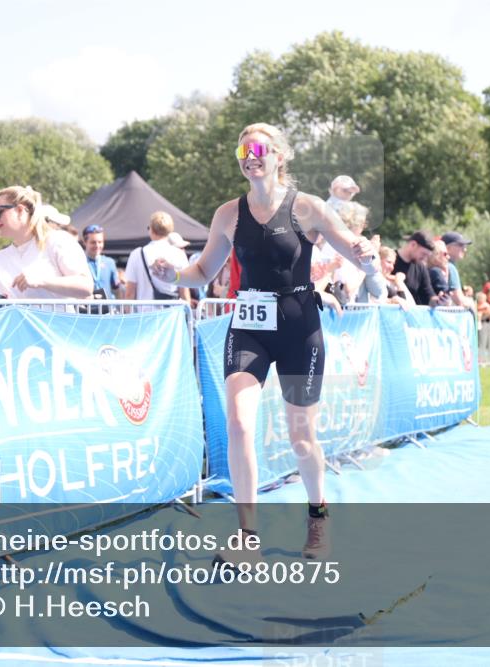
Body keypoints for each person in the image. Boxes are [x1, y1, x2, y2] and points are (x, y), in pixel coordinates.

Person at [150, 122, 376, 564]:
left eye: (258, 147)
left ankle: (318, 516)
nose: (249, 155)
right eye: (242, 148)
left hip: (299, 328)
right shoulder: (227, 215)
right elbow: (201, 272)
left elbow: (352, 249)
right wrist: (172, 276)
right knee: (238, 422)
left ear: (278, 156)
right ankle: (247, 536)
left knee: (301, 435)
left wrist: (365, 255)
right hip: (249, 325)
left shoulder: (307, 208)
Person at [0, 186, 93, 301]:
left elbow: (86, 286)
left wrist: (42, 280)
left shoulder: (58, 241)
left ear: (20, 210)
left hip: (55, 319)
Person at [124, 212, 191, 302]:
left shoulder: (136, 254)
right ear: (170, 231)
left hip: (145, 313)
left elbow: (130, 293)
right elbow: (184, 293)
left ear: (151, 230)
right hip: (173, 313)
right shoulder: (179, 254)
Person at [393, 231, 441, 306]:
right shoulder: (389, 260)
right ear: (413, 244)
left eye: (427, 256)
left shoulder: (421, 268)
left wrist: (439, 300)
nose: (424, 258)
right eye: (423, 254)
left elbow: (428, 294)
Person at [81, 224, 122, 301]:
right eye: (93, 242)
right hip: (86, 310)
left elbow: (116, 289)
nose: (97, 245)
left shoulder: (109, 262)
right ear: (84, 242)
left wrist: (121, 308)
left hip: (107, 310)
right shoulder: (79, 262)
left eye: (100, 242)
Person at [441, 231, 474, 309]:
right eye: (460, 245)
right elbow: (459, 301)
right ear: (448, 248)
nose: (465, 249)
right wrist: (471, 303)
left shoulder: (439, 265)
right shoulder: (450, 267)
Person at [427, 240, 454, 306]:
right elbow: (447, 299)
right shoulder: (436, 272)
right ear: (436, 255)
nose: (448, 257)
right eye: (445, 254)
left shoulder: (426, 271)